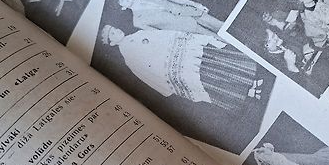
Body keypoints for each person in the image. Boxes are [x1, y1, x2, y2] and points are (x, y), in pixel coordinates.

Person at [101, 25, 264, 107]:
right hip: (179, 69)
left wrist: (179, 37)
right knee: (212, 81)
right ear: (112, 43)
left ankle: (249, 83)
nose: (117, 31)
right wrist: (166, 89)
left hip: (185, 52)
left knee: (217, 67)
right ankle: (247, 92)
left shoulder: (137, 34)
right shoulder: (128, 56)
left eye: (114, 29)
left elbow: (162, 35)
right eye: (112, 34)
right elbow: (147, 75)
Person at [118, 0, 223, 33]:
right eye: (122, 0)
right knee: (218, 40)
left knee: (222, 27)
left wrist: (195, 5)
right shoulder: (138, 21)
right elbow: (160, 34)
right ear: (123, 7)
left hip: (192, 12)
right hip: (187, 29)